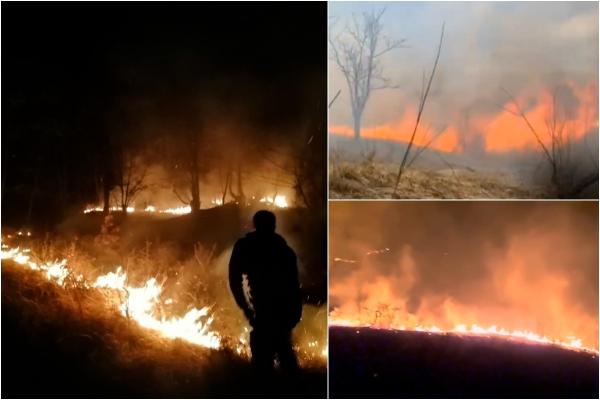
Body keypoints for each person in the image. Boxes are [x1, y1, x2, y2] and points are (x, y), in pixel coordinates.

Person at [229, 210, 302, 372]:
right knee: (285, 361)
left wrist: (246, 308)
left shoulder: (247, 247)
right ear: (274, 226)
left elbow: (234, 279)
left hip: (268, 313)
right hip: (279, 313)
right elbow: (294, 286)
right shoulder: (284, 250)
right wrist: (296, 312)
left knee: (264, 367)